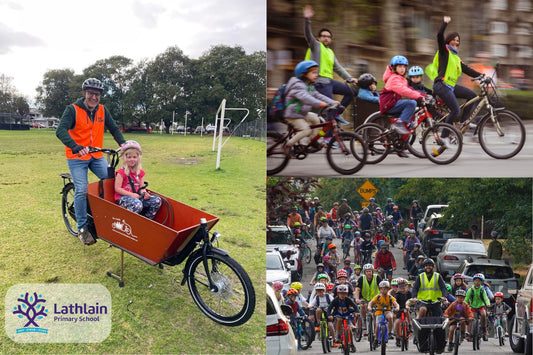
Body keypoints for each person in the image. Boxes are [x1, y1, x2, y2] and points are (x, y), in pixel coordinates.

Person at [56, 78, 126, 245]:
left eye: (97, 94)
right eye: (91, 94)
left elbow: (114, 128)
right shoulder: (72, 110)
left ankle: (107, 218)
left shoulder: (102, 110)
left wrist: (124, 144)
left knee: (112, 181)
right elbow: (60, 130)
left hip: (96, 155)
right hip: (77, 157)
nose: (94, 97)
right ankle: (82, 228)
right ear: (84, 93)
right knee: (81, 189)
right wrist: (75, 146)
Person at [426, 16, 484, 143]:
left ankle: (462, 123)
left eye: (458, 40)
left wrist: (482, 76)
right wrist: (445, 23)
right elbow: (439, 35)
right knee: (455, 110)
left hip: (450, 87)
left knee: (473, 95)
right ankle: (443, 137)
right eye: (453, 40)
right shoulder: (444, 51)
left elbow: (467, 69)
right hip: (441, 85)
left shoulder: (456, 58)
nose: (456, 42)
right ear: (448, 41)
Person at [303, 5, 357, 121]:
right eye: (323, 36)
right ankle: (328, 138)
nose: (326, 38)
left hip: (330, 82)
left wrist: (350, 78)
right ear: (318, 38)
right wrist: (307, 20)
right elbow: (308, 35)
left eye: (328, 37)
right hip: (319, 83)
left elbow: (338, 68)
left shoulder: (330, 52)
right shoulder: (316, 46)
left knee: (352, 92)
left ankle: (338, 114)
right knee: (331, 108)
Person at [282, 60, 338, 155]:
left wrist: (332, 102)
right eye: (313, 73)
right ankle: (288, 145)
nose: (316, 75)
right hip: (292, 114)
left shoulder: (310, 86)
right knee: (306, 130)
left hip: (301, 112)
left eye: (316, 72)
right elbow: (305, 97)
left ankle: (312, 141)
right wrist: (318, 103)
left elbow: (318, 95)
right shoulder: (297, 85)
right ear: (303, 74)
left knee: (317, 120)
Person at [380, 55, 427, 138]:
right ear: (394, 68)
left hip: (393, 104)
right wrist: (417, 97)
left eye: (404, 67)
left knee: (410, 123)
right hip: (389, 105)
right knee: (411, 103)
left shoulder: (401, 79)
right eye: (400, 66)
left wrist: (424, 95)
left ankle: (402, 146)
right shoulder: (394, 79)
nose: (402, 68)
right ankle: (398, 124)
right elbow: (403, 90)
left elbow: (410, 89)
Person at [114, 141, 162, 220]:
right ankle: (127, 222)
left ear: (138, 158)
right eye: (129, 157)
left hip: (137, 197)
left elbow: (142, 188)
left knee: (156, 201)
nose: (132, 159)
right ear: (125, 158)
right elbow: (117, 189)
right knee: (137, 204)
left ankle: (145, 221)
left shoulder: (140, 172)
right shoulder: (121, 172)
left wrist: (144, 193)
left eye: (134, 157)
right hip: (124, 198)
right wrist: (131, 195)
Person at [367, 280, 400, 348]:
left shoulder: (390, 297)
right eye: (381, 289)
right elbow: (371, 302)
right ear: (379, 290)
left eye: (385, 289)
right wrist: (369, 307)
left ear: (388, 289)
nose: (383, 290)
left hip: (388, 311)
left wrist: (397, 307)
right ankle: (376, 340)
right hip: (379, 311)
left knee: (390, 317)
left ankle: (390, 332)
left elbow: (396, 304)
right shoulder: (378, 297)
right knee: (377, 326)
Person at [328, 284, 358, 351]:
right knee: (339, 319)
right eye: (341, 294)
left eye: (344, 294)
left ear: (346, 294)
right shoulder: (336, 300)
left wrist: (357, 312)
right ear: (338, 293)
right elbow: (329, 308)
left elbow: (355, 306)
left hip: (347, 315)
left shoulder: (348, 300)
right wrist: (329, 315)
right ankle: (338, 336)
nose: (342, 295)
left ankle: (352, 344)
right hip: (338, 315)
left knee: (349, 329)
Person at [355, 263, 382, 336]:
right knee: (363, 306)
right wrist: (357, 299)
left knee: (376, 312)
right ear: (364, 272)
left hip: (376, 298)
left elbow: (382, 288)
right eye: (367, 271)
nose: (368, 273)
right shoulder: (361, 279)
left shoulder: (377, 278)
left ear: (372, 271)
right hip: (364, 298)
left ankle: (376, 325)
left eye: (370, 271)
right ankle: (364, 321)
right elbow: (357, 290)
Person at [464, 273, 491, 341]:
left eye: (479, 281)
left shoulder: (482, 289)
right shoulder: (471, 290)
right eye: (476, 280)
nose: (477, 282)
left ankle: (484, 329)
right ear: (474, 281)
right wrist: (464, 304)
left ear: (481, 282)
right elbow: (466, 298)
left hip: (481, 305)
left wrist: (488, 303)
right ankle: (470, 334)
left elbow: (485, 298)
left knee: (483, 314)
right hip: (473, 306)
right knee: (471, 319)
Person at [393, 278, 413, 347]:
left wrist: (411, 307)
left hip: (407, 308)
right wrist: (396, 308)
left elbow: (412, 301)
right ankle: (398, 338)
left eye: (404, 287)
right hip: (399, 309)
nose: (402, 289)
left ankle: (410, 326)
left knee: (407, 312)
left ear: (407, 286)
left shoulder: (409, 293)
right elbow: (395, 302)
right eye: (401, 287)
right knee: (398, 322)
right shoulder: (397, 294)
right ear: (398, 287)